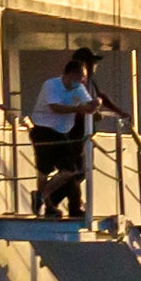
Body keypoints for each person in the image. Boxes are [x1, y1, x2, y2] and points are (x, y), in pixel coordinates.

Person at [29, 47, 105, 217]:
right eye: (81, 77)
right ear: (70, 74)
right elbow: (55, 108)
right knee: (44, 170)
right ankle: (48, 206)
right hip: (44, 130)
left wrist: (95, 104)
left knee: (70, 170)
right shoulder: (51, 85)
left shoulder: (78, 88)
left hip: (63, 132)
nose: (83, 81)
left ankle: (41, 195)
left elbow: (89, 107)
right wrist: (79, 108)